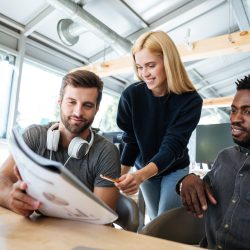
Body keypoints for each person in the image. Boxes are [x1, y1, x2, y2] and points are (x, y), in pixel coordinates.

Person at [0, 70, 120, 217]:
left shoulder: (106, 152)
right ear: (60, 101)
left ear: (96, 109)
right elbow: (2, 179)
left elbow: (104, 220)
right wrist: (9, 198)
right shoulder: (35, 136)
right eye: (72, 102)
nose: (78, 112)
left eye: (87, 105)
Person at [115, 30, 202, 220]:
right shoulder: (131, 96)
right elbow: (131, 141)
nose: (144, 74)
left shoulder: (190, 101)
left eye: (151, 65)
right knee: (154, 219)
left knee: (165, 221)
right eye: (139, 67)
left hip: (174, 168)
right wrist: (118, 178)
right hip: (144, 167)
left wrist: (139, 176)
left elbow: (172, 146)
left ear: (168, 62)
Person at [179, 75, 250, 250]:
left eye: (248, 112)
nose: (235, 119)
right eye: (234, 110)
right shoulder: (224, 158)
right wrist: (186, 181)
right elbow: (197, 189)